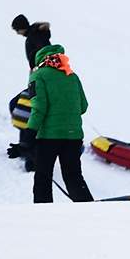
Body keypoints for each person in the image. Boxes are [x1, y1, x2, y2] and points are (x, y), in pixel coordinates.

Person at [26, 40, 93, 203]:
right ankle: (88, 208)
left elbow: (39, 107)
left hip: (49, 136)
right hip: (74, 136)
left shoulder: (38, 75)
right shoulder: (72, 76)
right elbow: (83, 106)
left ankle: (44, 212)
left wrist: (29, 133)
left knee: (43, 176)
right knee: (73, 176)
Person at [6, 15, 51, 171]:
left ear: (21, 27)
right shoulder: (35, 35)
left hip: (41, 81)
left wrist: (38, 74)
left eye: (16, 30)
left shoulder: (35, 37)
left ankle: (32, 159)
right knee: (21, 109)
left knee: (25, 112)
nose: (16, 33)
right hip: (38, 79)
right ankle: (27, 151)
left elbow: (43, 57)